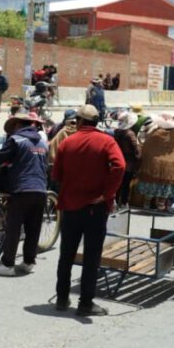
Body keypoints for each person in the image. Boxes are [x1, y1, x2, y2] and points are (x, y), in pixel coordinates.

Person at [53, 104, 125, 316]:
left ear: (80, 121)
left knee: (66, 254)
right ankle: (85, 303)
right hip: (95, 208)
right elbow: (119, 166)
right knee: (91, 257)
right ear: (96, 122)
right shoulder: (106, 141)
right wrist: (107, 193)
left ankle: (62, 298)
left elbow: (56, 175)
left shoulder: (67, 142)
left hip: (70, 207)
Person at [0, 112, 48, 276]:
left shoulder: (16, 140)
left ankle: (8, 264)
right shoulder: (42, 142)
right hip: (41, 189)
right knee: (33, 228)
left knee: (13, 227)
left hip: (22, 189)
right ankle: (29, 262)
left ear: (17, 125)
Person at [136, 114, 174, 210]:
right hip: (171, 169)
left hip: (154, 167)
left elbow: (146, 147)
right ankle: (161, 206)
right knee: (164, 190)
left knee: (150, 189)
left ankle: (146, 206)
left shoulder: (155, 134)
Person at [112, 111, 141, 207]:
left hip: (118, 160)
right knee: (126, 184)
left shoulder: (116, 132)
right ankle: (124, 202)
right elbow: (136, 150)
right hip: (128, 163)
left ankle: (116, 201)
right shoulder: (130, 134)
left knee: (118, 184)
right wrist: (138, 162)